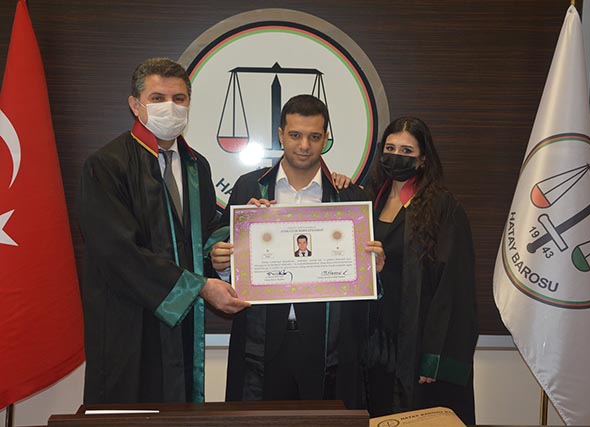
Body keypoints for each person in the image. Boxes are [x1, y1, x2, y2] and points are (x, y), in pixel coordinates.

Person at [78, 57, 250, 404]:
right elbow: (117, 252)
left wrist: (240, 236)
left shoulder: (197, 166)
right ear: (135, 105)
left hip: (183, 324)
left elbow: (204, 235)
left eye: (179, 98)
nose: (170, 107)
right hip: (130, 325)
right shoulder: (107, 165)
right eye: (157, 98)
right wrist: (199, 286)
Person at [211, 94, 384, 409]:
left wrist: (374, 267)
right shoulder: (250, 187)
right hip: (262, 340)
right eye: (295, 135)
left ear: (326, 139)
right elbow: (223, 255)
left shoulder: (348, 197)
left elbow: (364, 283)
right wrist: (222, 263)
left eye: (314, 137)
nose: (304, 145)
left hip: (326, 344)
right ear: (280, 135)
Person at [364, 117, 478, 422]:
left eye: (406, 150)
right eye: (390, 148)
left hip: (416, 343)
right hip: (375, 344)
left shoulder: (443, 207)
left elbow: (454, 288)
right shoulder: (368, 201)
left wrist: (434, 357)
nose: (396, 156)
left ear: (423, 158)